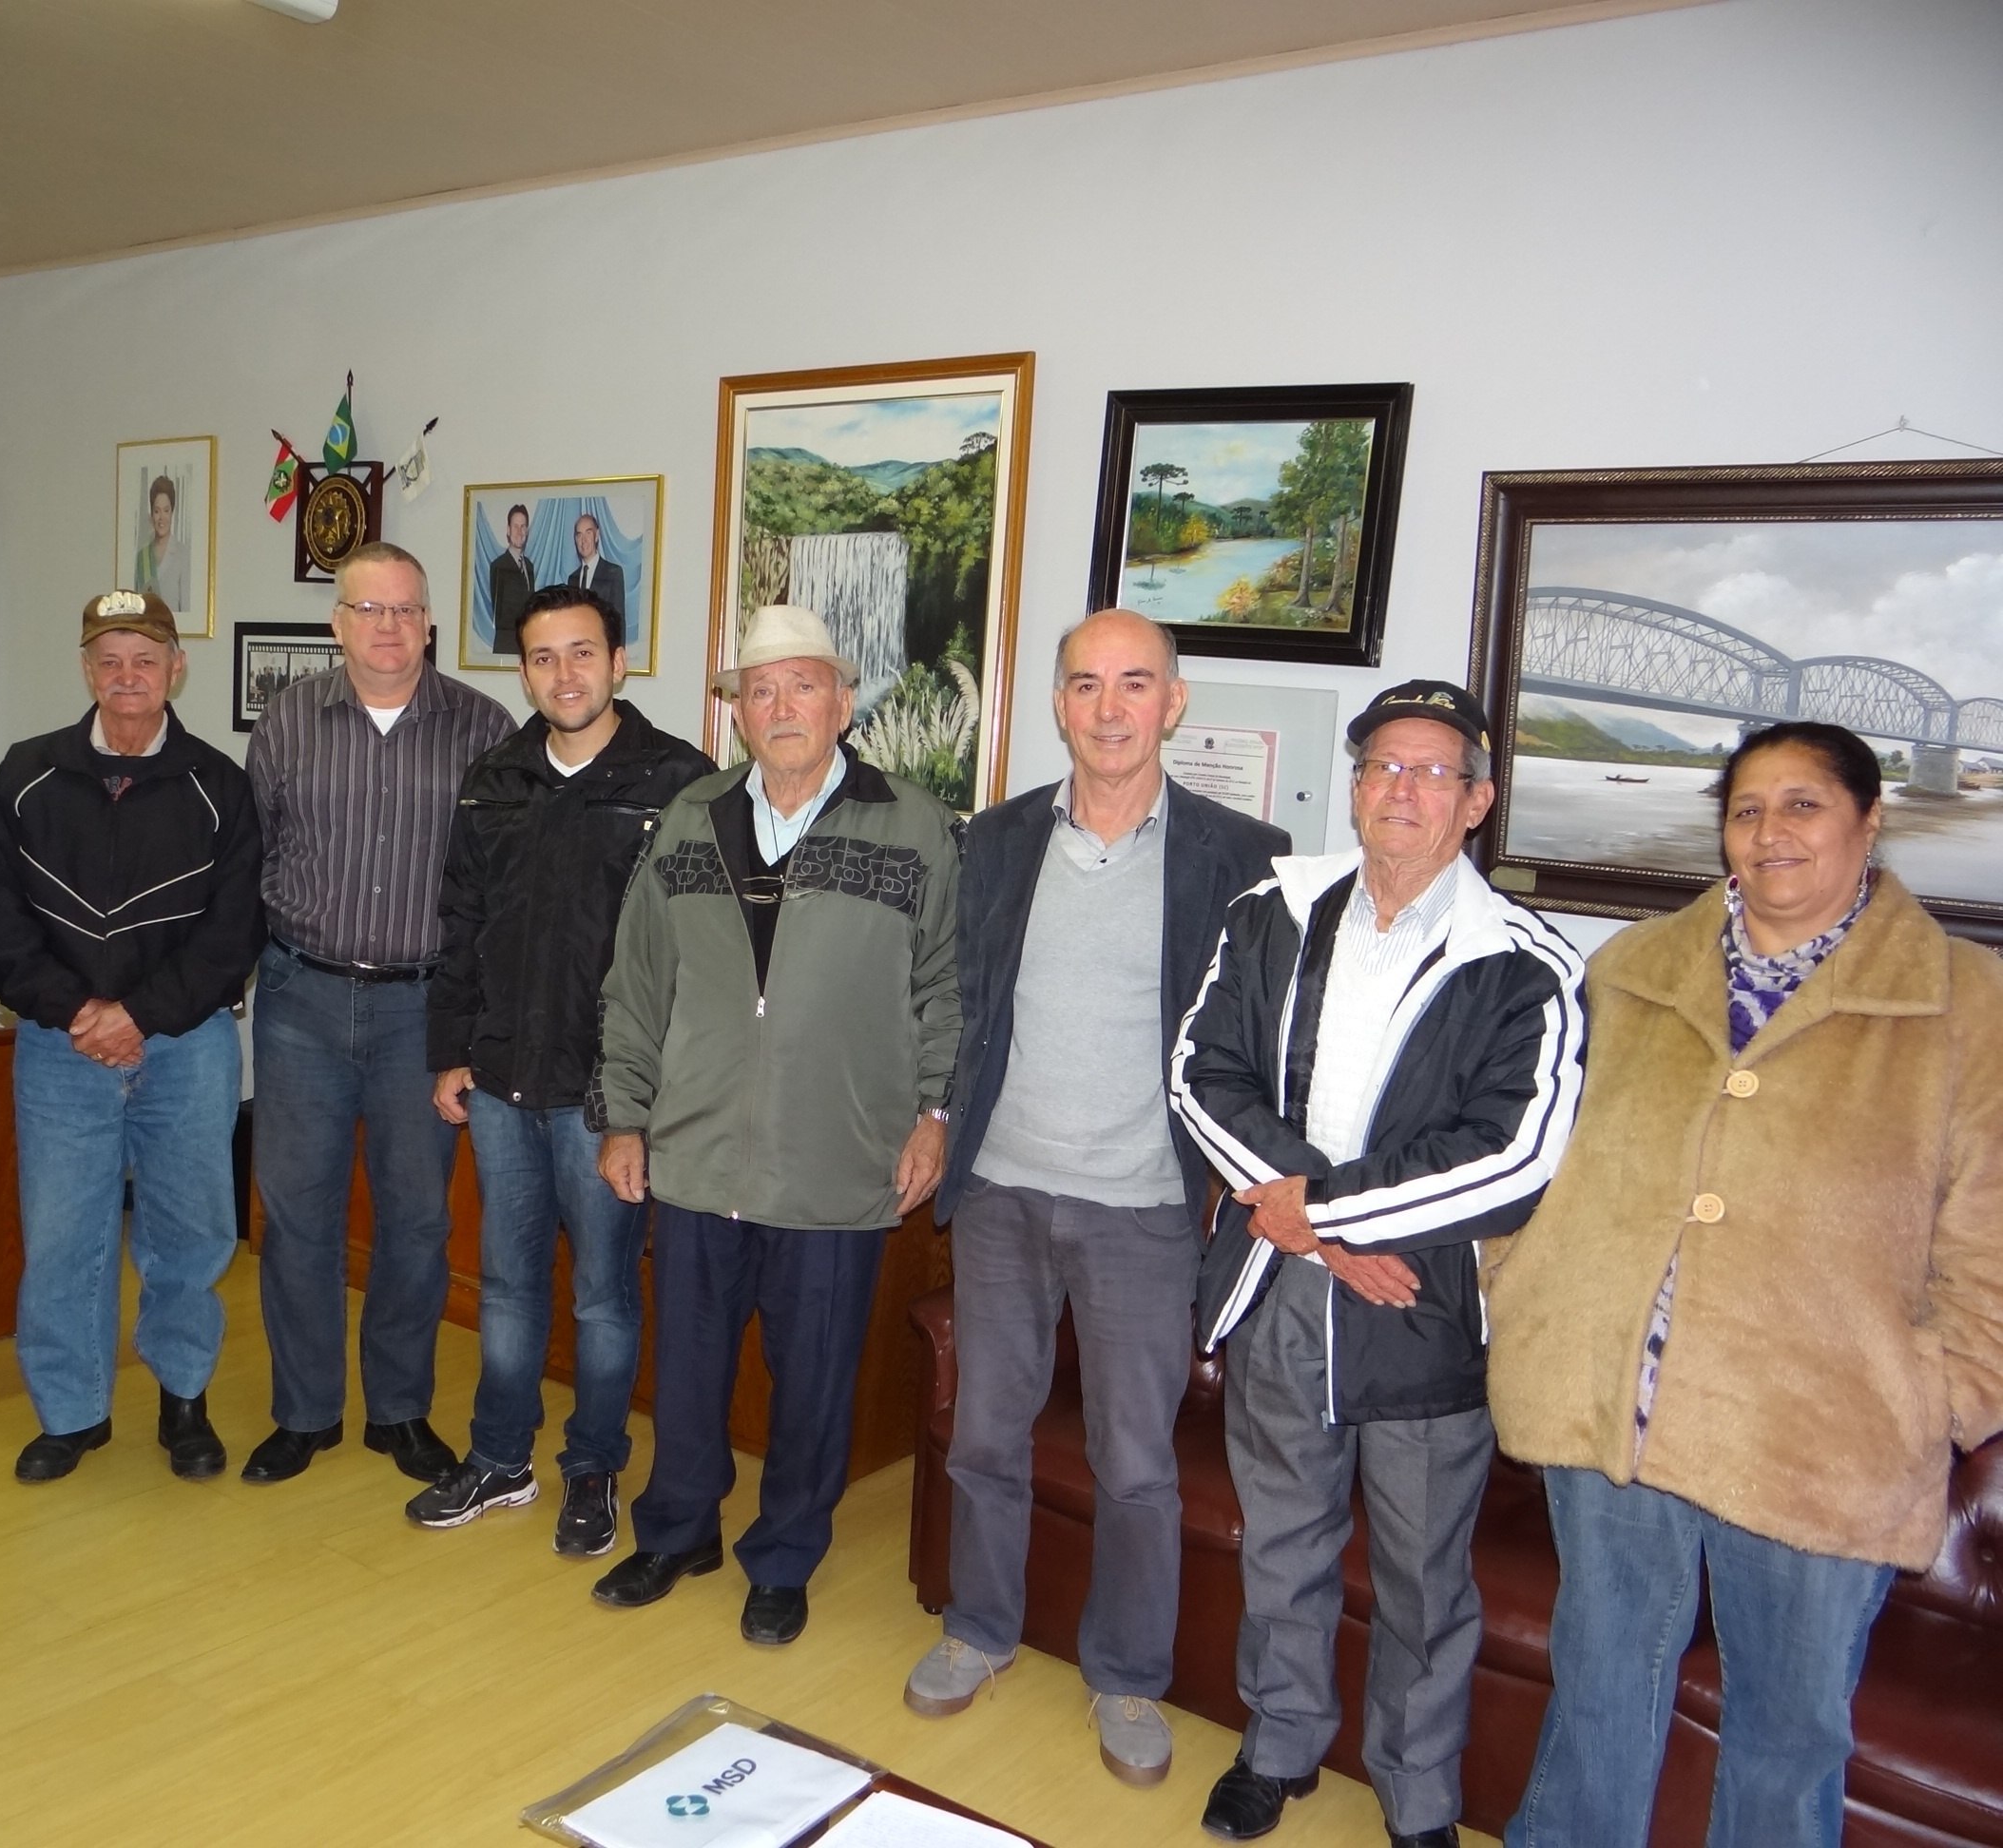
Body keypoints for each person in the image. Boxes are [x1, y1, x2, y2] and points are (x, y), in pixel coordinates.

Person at [1486, 721, 2003, 1848]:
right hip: (1615, 1403)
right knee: (1599, 1692)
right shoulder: (1631, 969)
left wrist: (1937, 1396)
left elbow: (1992, 1245)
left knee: (1786, 1739)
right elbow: (1542, 1153)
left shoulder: (1970, 1003)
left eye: (1804, 806)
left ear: (1871, 822)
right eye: (1748, 809)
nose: (1772, 833)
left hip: (1828, 1434)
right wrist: (1517, 1281)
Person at [1173, 680, 1587, 1848]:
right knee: (1286, 1539)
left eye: (1430, 771)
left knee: (1420, 1579)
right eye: (1380, 767)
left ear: (1476, 802)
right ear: (1353, 788)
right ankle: (1281, 1742)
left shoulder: (1524, 960)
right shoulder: (1277, 908)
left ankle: (1419, 1797)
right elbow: (1203, 1078)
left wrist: (1331, 1220)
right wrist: (1309, 1231)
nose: (1400, 789)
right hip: (1281, 1290)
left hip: (1421, 1309)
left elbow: (1511, 1157)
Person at [902, 610, 1287, 1786]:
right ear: (1059, 705)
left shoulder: (1243, 852)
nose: (1110, 708)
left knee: (1135, 1462)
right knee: (983, 1433)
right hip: (1004, 1191)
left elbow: (1266, 1038)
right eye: (1086, 685)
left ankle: (1125, 1674)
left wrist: (1245, 1169)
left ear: (1174, 704)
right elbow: (960, 1001)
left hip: (1144, 1209)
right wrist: (933, 1118)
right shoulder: (999, 839)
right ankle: (978, 1626)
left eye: (1135, 684)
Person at [588, 605, 961, 1646]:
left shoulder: (913, 825)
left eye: (804, 686)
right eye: (762, 690)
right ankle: (677, 1531)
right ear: (738, 713)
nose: (783, 706)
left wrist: (934, 1114)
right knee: (691, 1364)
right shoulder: (689, 820)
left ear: (842, 702)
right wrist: (627, 1119)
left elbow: (947, 989)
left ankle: (785, 1555)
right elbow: (634, 987)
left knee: (813, 1384)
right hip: (698, 1153)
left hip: (838, 1160)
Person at [413, 584, 712, 1551]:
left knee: (602, 1295)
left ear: (620, 663)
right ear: (524, 670)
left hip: (607, 1099)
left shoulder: (679, 783)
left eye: (583, 653)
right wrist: (449, 1050)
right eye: (543, 658)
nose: (565, 675)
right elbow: (460, 927)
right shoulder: (493, 777)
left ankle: (592, 1469)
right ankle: (500, 1460)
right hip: (500, 1080)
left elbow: (699, 957)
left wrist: (651, 1103)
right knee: (504, 1284)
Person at [0, 590, 265, 1486]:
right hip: (59, 1052)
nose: (127, 675)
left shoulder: (219, 785)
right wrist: (77, 1013)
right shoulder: (29, 773)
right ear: (86, 668)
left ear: (177, 668)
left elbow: (234, 931)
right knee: (65, 1238)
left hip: (189, 1047)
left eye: (146, 657)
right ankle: (72, 1413)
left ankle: (184, 1401)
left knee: (190, 1235)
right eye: (109, 658)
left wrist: (139, 1014)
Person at [243, 541, 511, 1488]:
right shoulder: (285, 723)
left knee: (417, 1221)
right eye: (367, 609)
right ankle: (304, 1410)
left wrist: (474, 1023)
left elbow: (496, 885)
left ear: (429, 622)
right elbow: (257, 857)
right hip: (301, 999)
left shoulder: (484, 728)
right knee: (298, 1215)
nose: (387, 626)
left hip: (422, 1012)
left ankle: (398, 1409)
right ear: (338, 625)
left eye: (404, 609)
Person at [133, 475, 191, 617]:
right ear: (151, 514)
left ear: (172, 513)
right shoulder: (142, 557)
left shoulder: (183, 555)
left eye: (166, 510)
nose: (161, 518)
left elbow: (185, 609)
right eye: (157, 511)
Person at [558, 513, 626, 627]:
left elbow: (619, 619)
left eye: (588, 533)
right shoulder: (572, 579)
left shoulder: (613, 573)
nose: (583, 540)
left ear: (597, 535)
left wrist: (619, 646)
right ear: (575, 539)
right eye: (579, 535)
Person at [488, 502, 536, 656]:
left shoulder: (529, 566)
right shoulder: (499, 566)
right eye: (515, 526)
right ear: (508, 530)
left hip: (526, 646)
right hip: (506, 646)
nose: (519, 531)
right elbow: (501, 614)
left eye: (523, 527)